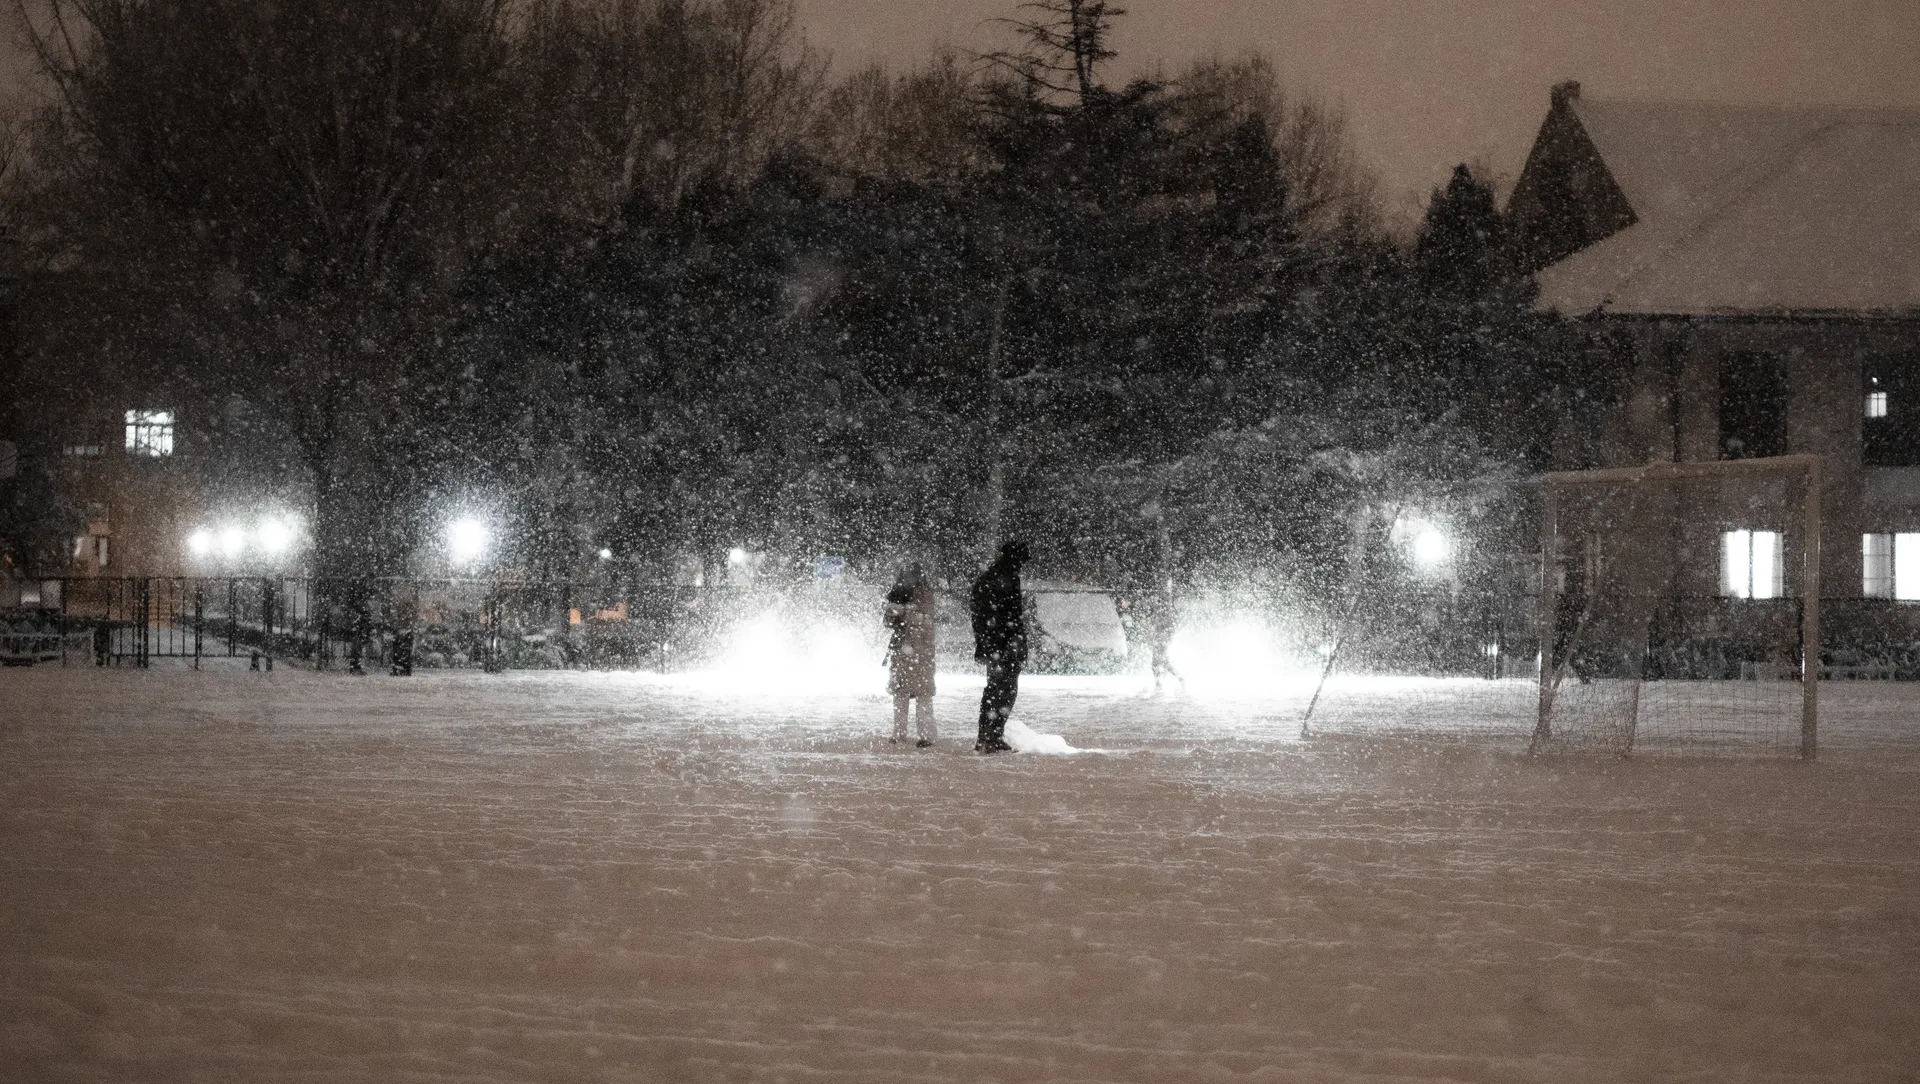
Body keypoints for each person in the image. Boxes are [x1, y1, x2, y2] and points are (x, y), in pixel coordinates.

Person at [970, 539, 1031, 754]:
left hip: (997, 643)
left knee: (996, 690)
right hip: (1003, 644)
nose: (1022, 565)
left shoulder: (993, 577)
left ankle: (988, 735)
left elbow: (980, 614)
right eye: (1021, 560)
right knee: (1003, 690)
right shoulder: (1004, 579)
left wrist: (984, 641)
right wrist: (1012, 640)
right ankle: (991, 735)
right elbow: (1010, 615)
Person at [883, 564, 937, 748]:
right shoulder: (901, 594)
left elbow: (925, 620)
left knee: (920, 694)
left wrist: (903, 612)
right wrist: (893, 611)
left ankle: (924, 734)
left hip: (919, 651)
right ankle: (903, 733)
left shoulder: (924, 595)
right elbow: (888, 622)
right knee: (904, 693)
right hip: (906, 650)